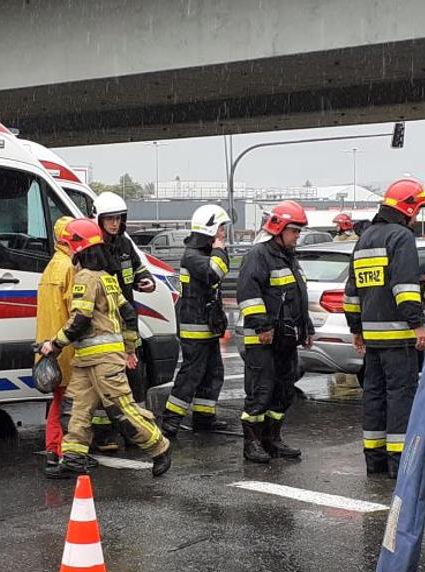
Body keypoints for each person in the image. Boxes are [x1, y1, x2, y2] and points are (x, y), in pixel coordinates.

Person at [39, 218, 172, 478]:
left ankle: (160, 447)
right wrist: (129, 348)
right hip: (88, 360)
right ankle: (73, 459)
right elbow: (129, 314)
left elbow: (80, 319)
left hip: (102, 361)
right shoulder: (108, 278)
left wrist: (53, 344)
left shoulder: (85, 278)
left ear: (78, 247)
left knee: (122, 410)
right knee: (76, 409)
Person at [348, 178, 425, 477]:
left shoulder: (364, 238)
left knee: (374, 395)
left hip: (372, 337)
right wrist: (418, 324)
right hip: (398, 336)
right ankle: (399, 464)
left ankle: (375, 459)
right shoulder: (401, 237)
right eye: (418, 210)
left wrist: (356, 329)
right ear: (408, 208)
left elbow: (352, 292)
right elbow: (405, 287)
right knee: (400, 396)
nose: (417, 217)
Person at [234, 201, 314, 463]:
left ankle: (272, 440)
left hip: (286, 340)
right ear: (279, 229)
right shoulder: (258, 255)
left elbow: (297, 298)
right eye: (294, 231)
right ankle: (252, 443)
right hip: (263, 340)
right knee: (261, 392)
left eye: (299, 231)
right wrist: (263, 326)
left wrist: (307, 329)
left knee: (283, 391)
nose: (297, 236)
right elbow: (248, 294)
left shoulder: (289, 257)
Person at [88, 191, 157, 451]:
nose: (115, 223)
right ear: (99, 219)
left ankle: (136, 431)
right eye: (110, 219)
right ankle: (103, 434)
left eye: (118, 218)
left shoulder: (125, 245)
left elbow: (139, 270)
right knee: (105, 381)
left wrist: (147, 281)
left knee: (134, 379)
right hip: (103, 323)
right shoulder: (93, 247)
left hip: (127, 321)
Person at [160, 204, 234, 440]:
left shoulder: (201, 254)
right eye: (221, 228)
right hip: (195, 328)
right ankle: (170, 422)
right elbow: (215, 273)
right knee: (191, 375)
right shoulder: (193, 256)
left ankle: (204, 418)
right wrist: (219, 250)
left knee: (213, 373)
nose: (223, 233)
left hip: (207, 325)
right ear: (210, 229)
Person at [35, 217, 79, 476]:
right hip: (64, 348)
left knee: (58, 401)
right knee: (67, 404)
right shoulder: (69, 268)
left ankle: (55, 450)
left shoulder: (52, 266)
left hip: (49, 347)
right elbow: (76, 312)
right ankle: (63, 453)